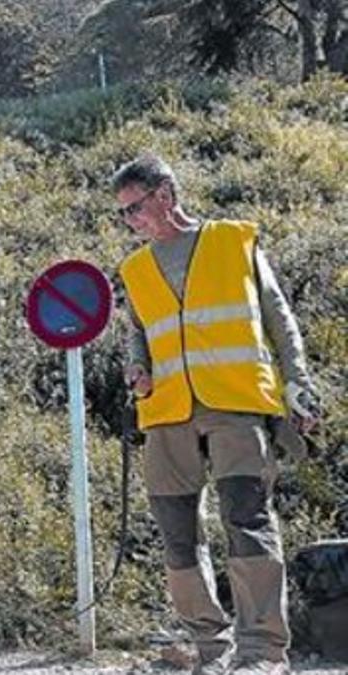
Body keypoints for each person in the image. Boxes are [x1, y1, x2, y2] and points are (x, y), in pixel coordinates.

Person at [112, 154, 320, 675]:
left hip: (236, 401)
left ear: (164, 194)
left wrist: (298, 384)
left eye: (134, 208)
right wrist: (138, 368)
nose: (130, 221)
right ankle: (211, 646)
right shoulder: (134, 268)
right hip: (166, 413)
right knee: (176, 532)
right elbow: (139, 332)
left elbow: (280, 317)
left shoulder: (234, 241)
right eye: (122, 215)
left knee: (247, 522)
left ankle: (263, 652)